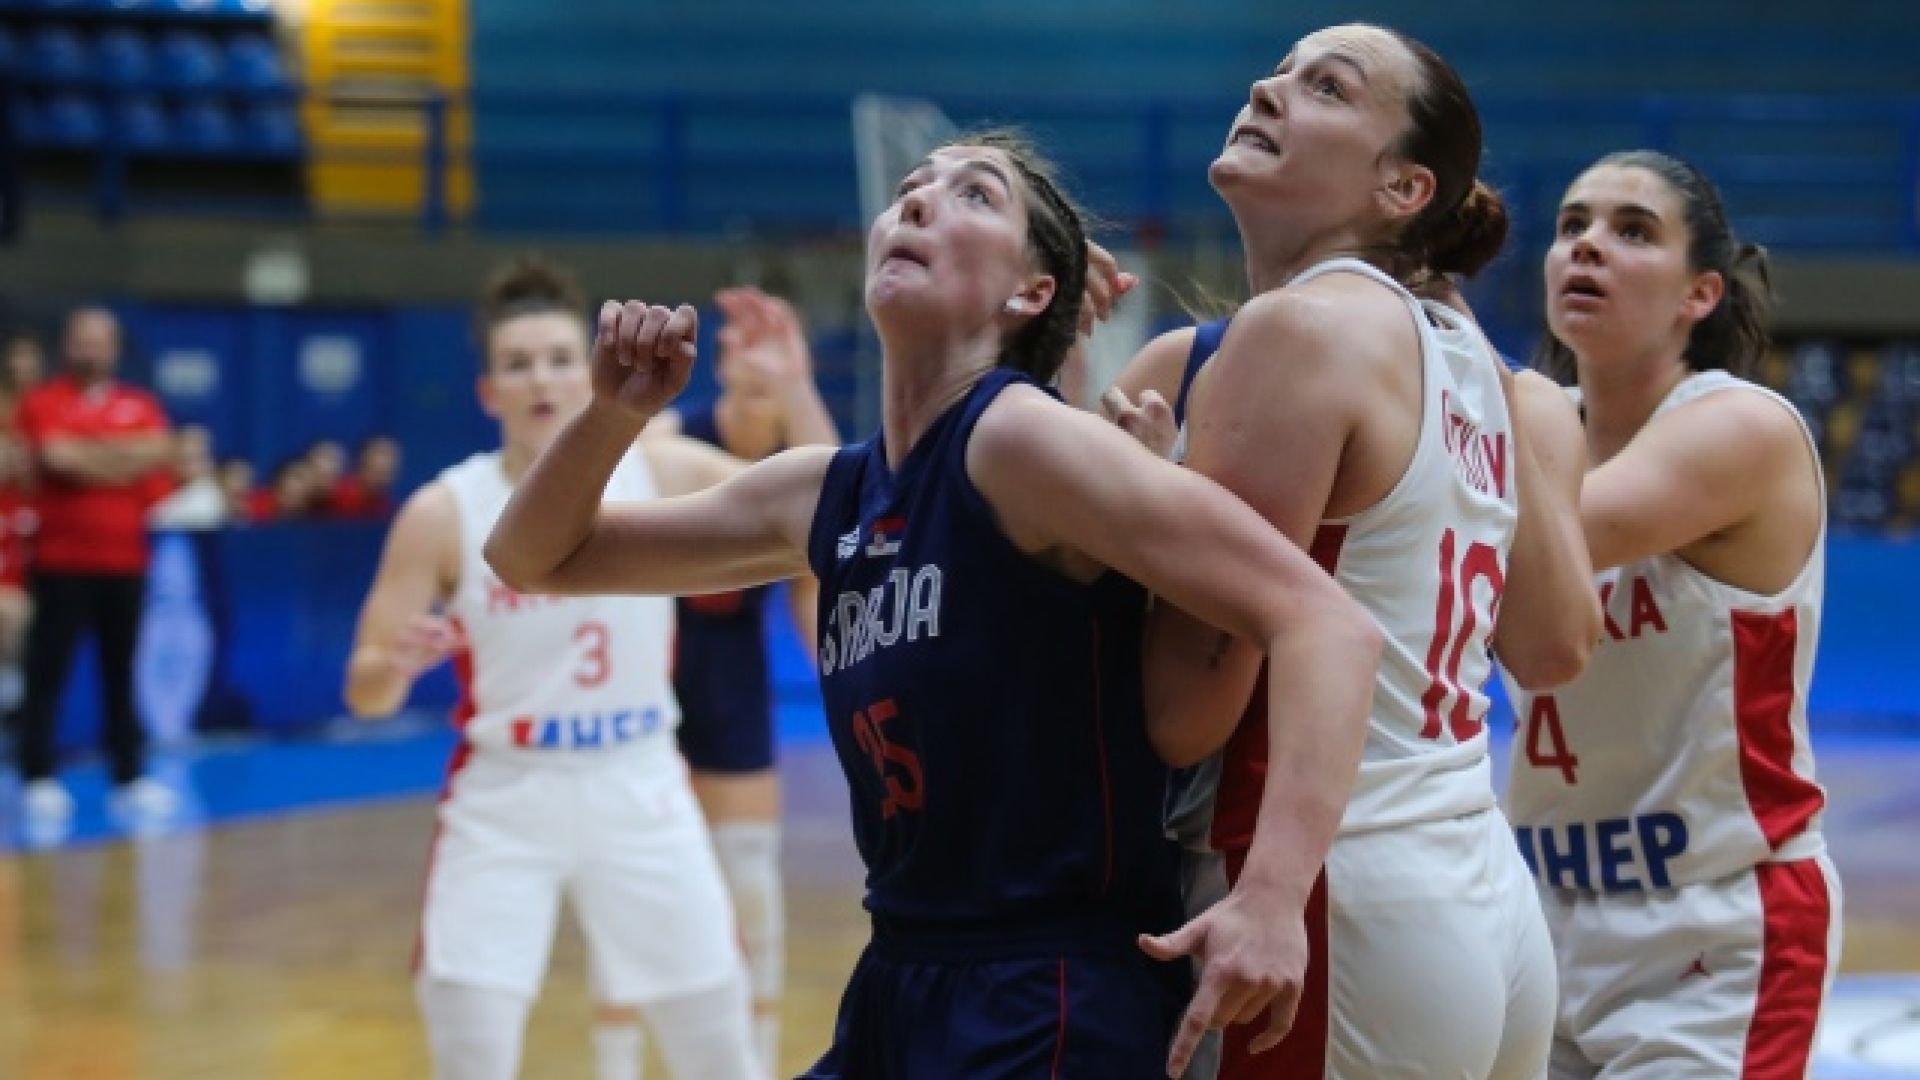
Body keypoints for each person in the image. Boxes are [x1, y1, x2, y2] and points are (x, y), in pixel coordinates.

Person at [486, 130, 1382, 1079]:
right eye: (913, 187)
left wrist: (1274, 897)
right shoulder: (824, 491)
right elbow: (533, 558)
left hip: (1050, 992)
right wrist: (614, 413)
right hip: (900, 977)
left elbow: (1326, 623)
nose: (915, 201)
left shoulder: (1021, 442)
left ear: (1029, 293)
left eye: (974, 195)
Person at [1103, 24, 1599, 1079]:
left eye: (1326, 87)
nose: (1267, 88)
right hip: (1478, 888)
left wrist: (1134, 519)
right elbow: (1551, 650)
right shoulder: (1468, 355)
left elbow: (1186, 711)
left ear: (1403, 188)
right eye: (1280, 71)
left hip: (1333, 898)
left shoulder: (1294, 333)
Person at [344, 256, 763, 1080]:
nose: (540, 378)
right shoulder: (443, 510)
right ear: (487, 391)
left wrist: (784, 393)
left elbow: (812, 502)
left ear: (593, 371)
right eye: (517, 363)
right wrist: (392, 666)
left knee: (720, 1052)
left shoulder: (661, 470)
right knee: (470, 1049)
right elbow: (365, 691)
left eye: (561, 358)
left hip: (638, 776)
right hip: (507, 793)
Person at [1507, 150, 1839, 1079]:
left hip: (1715, 924)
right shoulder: (1539, 428)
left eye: (1632, 231)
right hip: (1542, 909)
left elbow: (1535, 537)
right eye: (1572, 225)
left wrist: (1424, 365)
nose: (1588, 246)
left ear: (1700, 293)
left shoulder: (1742, 427)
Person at [645, 284, 836, 1068]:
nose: (755, 371)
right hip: (657, 658)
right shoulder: (672, 435)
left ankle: (754, 1058)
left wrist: (843, 680)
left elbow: (829, 538)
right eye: (742, 353)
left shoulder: (803, 457)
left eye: (773, 360)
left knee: (748, 874)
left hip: (731, 666)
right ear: (720, 361)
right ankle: (620, 1056)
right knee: (644, 881)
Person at [12, 306, 178, 841]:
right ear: (67, 345)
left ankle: (128, 775)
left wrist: (92, 457)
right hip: (60, 562)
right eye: (81, 340)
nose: (90, 350)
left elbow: (158, 454)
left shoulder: (141, 403)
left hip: (125, 562)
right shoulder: (43, 401)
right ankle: (38, 774)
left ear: (115, 348)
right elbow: (58, 458)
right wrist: (120, 459)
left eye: (99, 341)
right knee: (48, 672)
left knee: (121, 670)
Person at [149, 425, 227, 531]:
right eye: (181, 459)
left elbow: (156, 523)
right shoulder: (155, 483)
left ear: (209, 462)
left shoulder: (206, 499)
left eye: (195, 459)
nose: (188, 467)